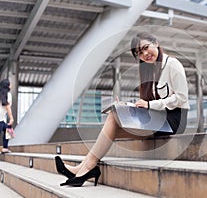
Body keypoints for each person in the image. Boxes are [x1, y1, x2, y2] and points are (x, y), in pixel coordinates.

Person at [55, 31, 190, 187]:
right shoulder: (148, 70)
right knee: (114, 118)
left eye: (146, 47)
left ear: (156, 43)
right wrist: (129, 107)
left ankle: (86, 168)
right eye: (140, 53)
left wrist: (150, 105)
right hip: (157, 119)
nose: (145, 54)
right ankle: (83, 168)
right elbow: (146, 104)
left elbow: (182, 98)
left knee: (113, 119)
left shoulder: (173, 64)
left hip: (174, 120)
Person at [0, 79, 14, 153]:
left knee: (8, 129)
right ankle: (5, 147)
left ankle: (5, 148)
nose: (11, 85)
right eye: (10, 84)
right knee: (8, 130)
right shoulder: (8, 94)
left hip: (2, 119)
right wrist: (11, 118)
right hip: (1, 119)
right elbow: (7, 107)